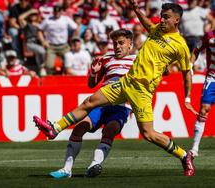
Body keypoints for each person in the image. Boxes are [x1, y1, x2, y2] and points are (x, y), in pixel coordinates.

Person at [34, 2, 198, 176]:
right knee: (89, 102)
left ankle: (184, 155)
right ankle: (55, 128)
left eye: (166, 17)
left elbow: (187, 73)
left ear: (177, 20)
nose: (162, 19)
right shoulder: (157, 29)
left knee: (148, 134)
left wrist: (187, 98)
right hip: (126, 82)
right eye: (161, 15)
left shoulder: (180, 45)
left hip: (142, 91)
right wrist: (136, 10)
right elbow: (148, 24)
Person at [48, 29, 135, 179]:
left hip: (121, 106)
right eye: (115, 43)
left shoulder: (137, 60)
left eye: (121, 43)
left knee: (110, 130)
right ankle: (66, 169)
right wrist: (94, 72)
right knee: (79, 128)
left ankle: (94, 165)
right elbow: (91, 85)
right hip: (101, 103)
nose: (117, 47)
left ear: (130, 45)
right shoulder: (107, 59)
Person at [190, 30, 215, 157]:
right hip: (212, 78)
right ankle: (195, 147)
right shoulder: (209, 36)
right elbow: (197, 49)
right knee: (204, 110)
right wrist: (190, 65)